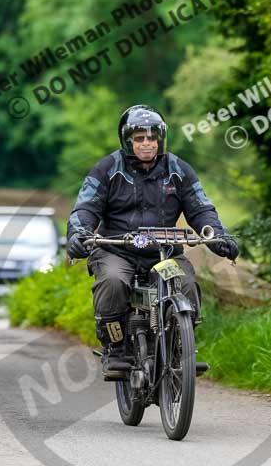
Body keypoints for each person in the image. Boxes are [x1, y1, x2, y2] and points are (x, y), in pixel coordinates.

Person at [66, 105, 238, 371]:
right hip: (117, 250)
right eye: (139, 138)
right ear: (127, 140)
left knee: (187, 284)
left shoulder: (179, 169)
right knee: (112, 282)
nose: (146, 143)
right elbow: (85, 208)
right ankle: (117, 346)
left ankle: (181, 347)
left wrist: (218, 237)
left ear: (160, 138)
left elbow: (202, 209)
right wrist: (79, 234)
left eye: (152, 137)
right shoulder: (107, 169)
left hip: (164, 253)